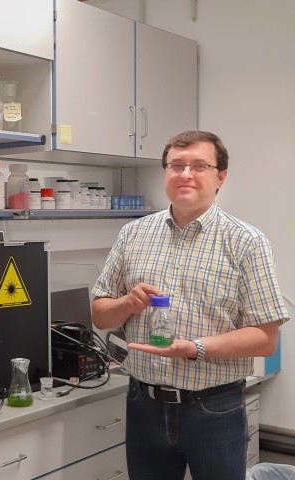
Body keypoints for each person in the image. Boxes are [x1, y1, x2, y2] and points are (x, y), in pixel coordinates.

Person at [91, 130, 289, 480]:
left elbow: (265, 337)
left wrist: (194, 348)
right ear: (165, 172)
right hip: (144, 406)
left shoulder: (246, 242)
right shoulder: (133, 235)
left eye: (199, 165)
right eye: (176, 165)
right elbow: (100, 313)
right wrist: (126, 303)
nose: (185, 174)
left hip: (213, 408)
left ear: (220, 177)